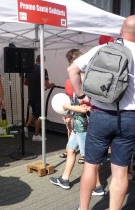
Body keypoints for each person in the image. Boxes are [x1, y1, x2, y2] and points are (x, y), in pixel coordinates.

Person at [68, 15, 135, 210]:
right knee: (121, 171)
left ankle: (83, 208)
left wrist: (81, 96)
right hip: (130, 119)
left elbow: (72, 70)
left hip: (101, 115)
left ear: (121, 32)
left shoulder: (102, 49)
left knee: (91, 165)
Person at [49, 98, 104, 195]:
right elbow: (80, 111)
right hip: (77, 126)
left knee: (89, 159)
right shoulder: (78, 89)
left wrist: (66, 107)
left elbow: (84, 109)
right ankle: (64, 179)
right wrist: (72, 116)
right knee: (70, 149)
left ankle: (97, 187)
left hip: (83, 128)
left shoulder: (85, 89)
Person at [24, 55, 55, 141]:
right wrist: (52, 85)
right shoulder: (43, 70)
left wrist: (33, 85)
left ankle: (26, 128)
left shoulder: (29, 69)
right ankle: (36, 135)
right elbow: (47, 85)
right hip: (38, 96)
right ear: (43, 60)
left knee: (34, 112)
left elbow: (25, 82)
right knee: (39, 115)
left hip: (31, 95)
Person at [59, 49, 83, 159]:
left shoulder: (82, 74)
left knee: (81, 129)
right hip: (72, 101)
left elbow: (84, 104)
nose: (69, 63)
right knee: (70, 127)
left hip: (81, 107)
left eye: (70, 60)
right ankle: (70, 149)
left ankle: (84, 154)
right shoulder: (72, 73)